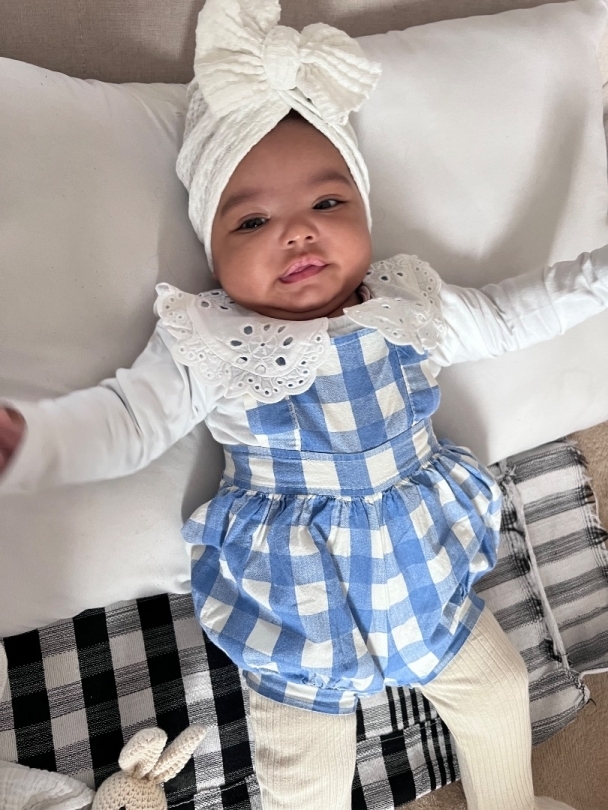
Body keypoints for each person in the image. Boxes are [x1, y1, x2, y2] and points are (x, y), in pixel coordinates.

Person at [1, 0, 606, 808]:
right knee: (305, 771)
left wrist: (595, 277)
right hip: (295, 597)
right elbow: (129, 421)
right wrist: (38, 437)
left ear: (363, 210)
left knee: (498, 692)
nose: (298, 233)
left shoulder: (405, 301)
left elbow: (513, 313)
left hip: (419, 568)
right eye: (253, 219)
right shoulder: (212, 336)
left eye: (328, 204)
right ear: (212, 249)